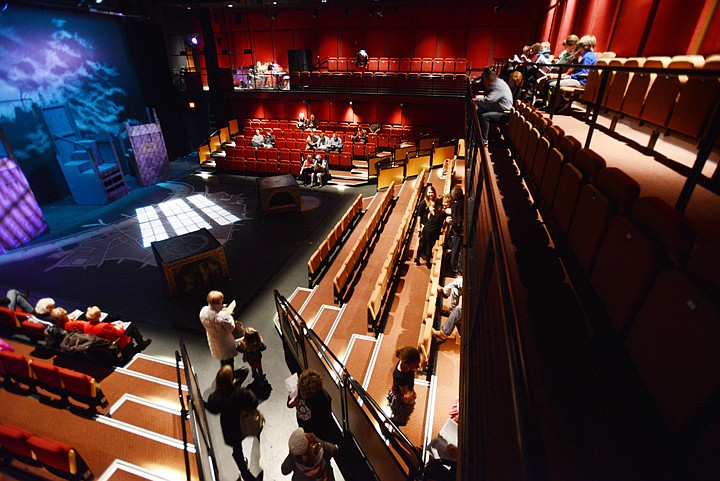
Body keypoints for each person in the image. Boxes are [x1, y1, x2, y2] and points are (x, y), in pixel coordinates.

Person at [205, 365, 262, 481]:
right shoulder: (240, 393)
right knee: (239, 446)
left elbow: (212, 408)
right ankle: (246, 474)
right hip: (241, 425)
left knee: (237, 449)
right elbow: (254, 402)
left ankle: (243, 471)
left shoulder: (216, 398)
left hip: (229, 429)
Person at [287, 369, 337, 443]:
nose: (303, 396)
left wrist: (316, 438)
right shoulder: (299, 388)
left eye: (307, 395)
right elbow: (289, 402)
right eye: (302, 393)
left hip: (316, 434)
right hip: (303, 427)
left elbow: (325, 422)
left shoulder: (323, 399)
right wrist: (290, 403)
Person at [200, 290, 242, 368]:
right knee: (229, 361)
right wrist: (228, 315)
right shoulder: (221, 316)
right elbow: (231, 327)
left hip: (213, 339)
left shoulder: (204, 311)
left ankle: (225, 374)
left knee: (222, 359)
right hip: (224, 342)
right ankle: (230, 377)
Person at [81, 306, 152, 350]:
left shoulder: (86, 325)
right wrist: (120, 326)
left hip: (100, 344)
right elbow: (119, 333)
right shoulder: (104, 326)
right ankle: (141, 343)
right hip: (114, 342)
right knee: (131, 325)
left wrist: (111, 324)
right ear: (99, 316)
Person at [474, 69, 513, 146]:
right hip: (497, 109)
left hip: (504, 113)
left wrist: (476, 100)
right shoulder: (497, 82)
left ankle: (484, 141)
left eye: (485, 81)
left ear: (490, 80)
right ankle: (477, 134)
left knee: (484, 117)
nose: (485, 83)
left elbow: (489, 100)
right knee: (480, 110)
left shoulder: (498, 86)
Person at [387, 346, 421, 427]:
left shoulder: (404, 363)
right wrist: (411, 399)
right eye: (415, 365)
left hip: (402, 392)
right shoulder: (400, 377)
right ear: (406, 363)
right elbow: (406, 397)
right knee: (400, 417)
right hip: (400, 399)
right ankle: (395, 423)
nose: (418, 366)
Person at [415, 198, 443, 268]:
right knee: (429, 247)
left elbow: (428, 217)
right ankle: (428, 262)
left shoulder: (432, 210)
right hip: (432, 232)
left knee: (422, 244)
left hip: (426, 229)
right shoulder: (442, 213)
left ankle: (417, 259)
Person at [445, 187, 464, 276]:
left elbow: (457, 222)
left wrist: (450, 221)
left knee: (456, 251)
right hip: (460, 232)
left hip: (459, 232)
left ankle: (454, 269)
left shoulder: (457, 206)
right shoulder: (463, 200)